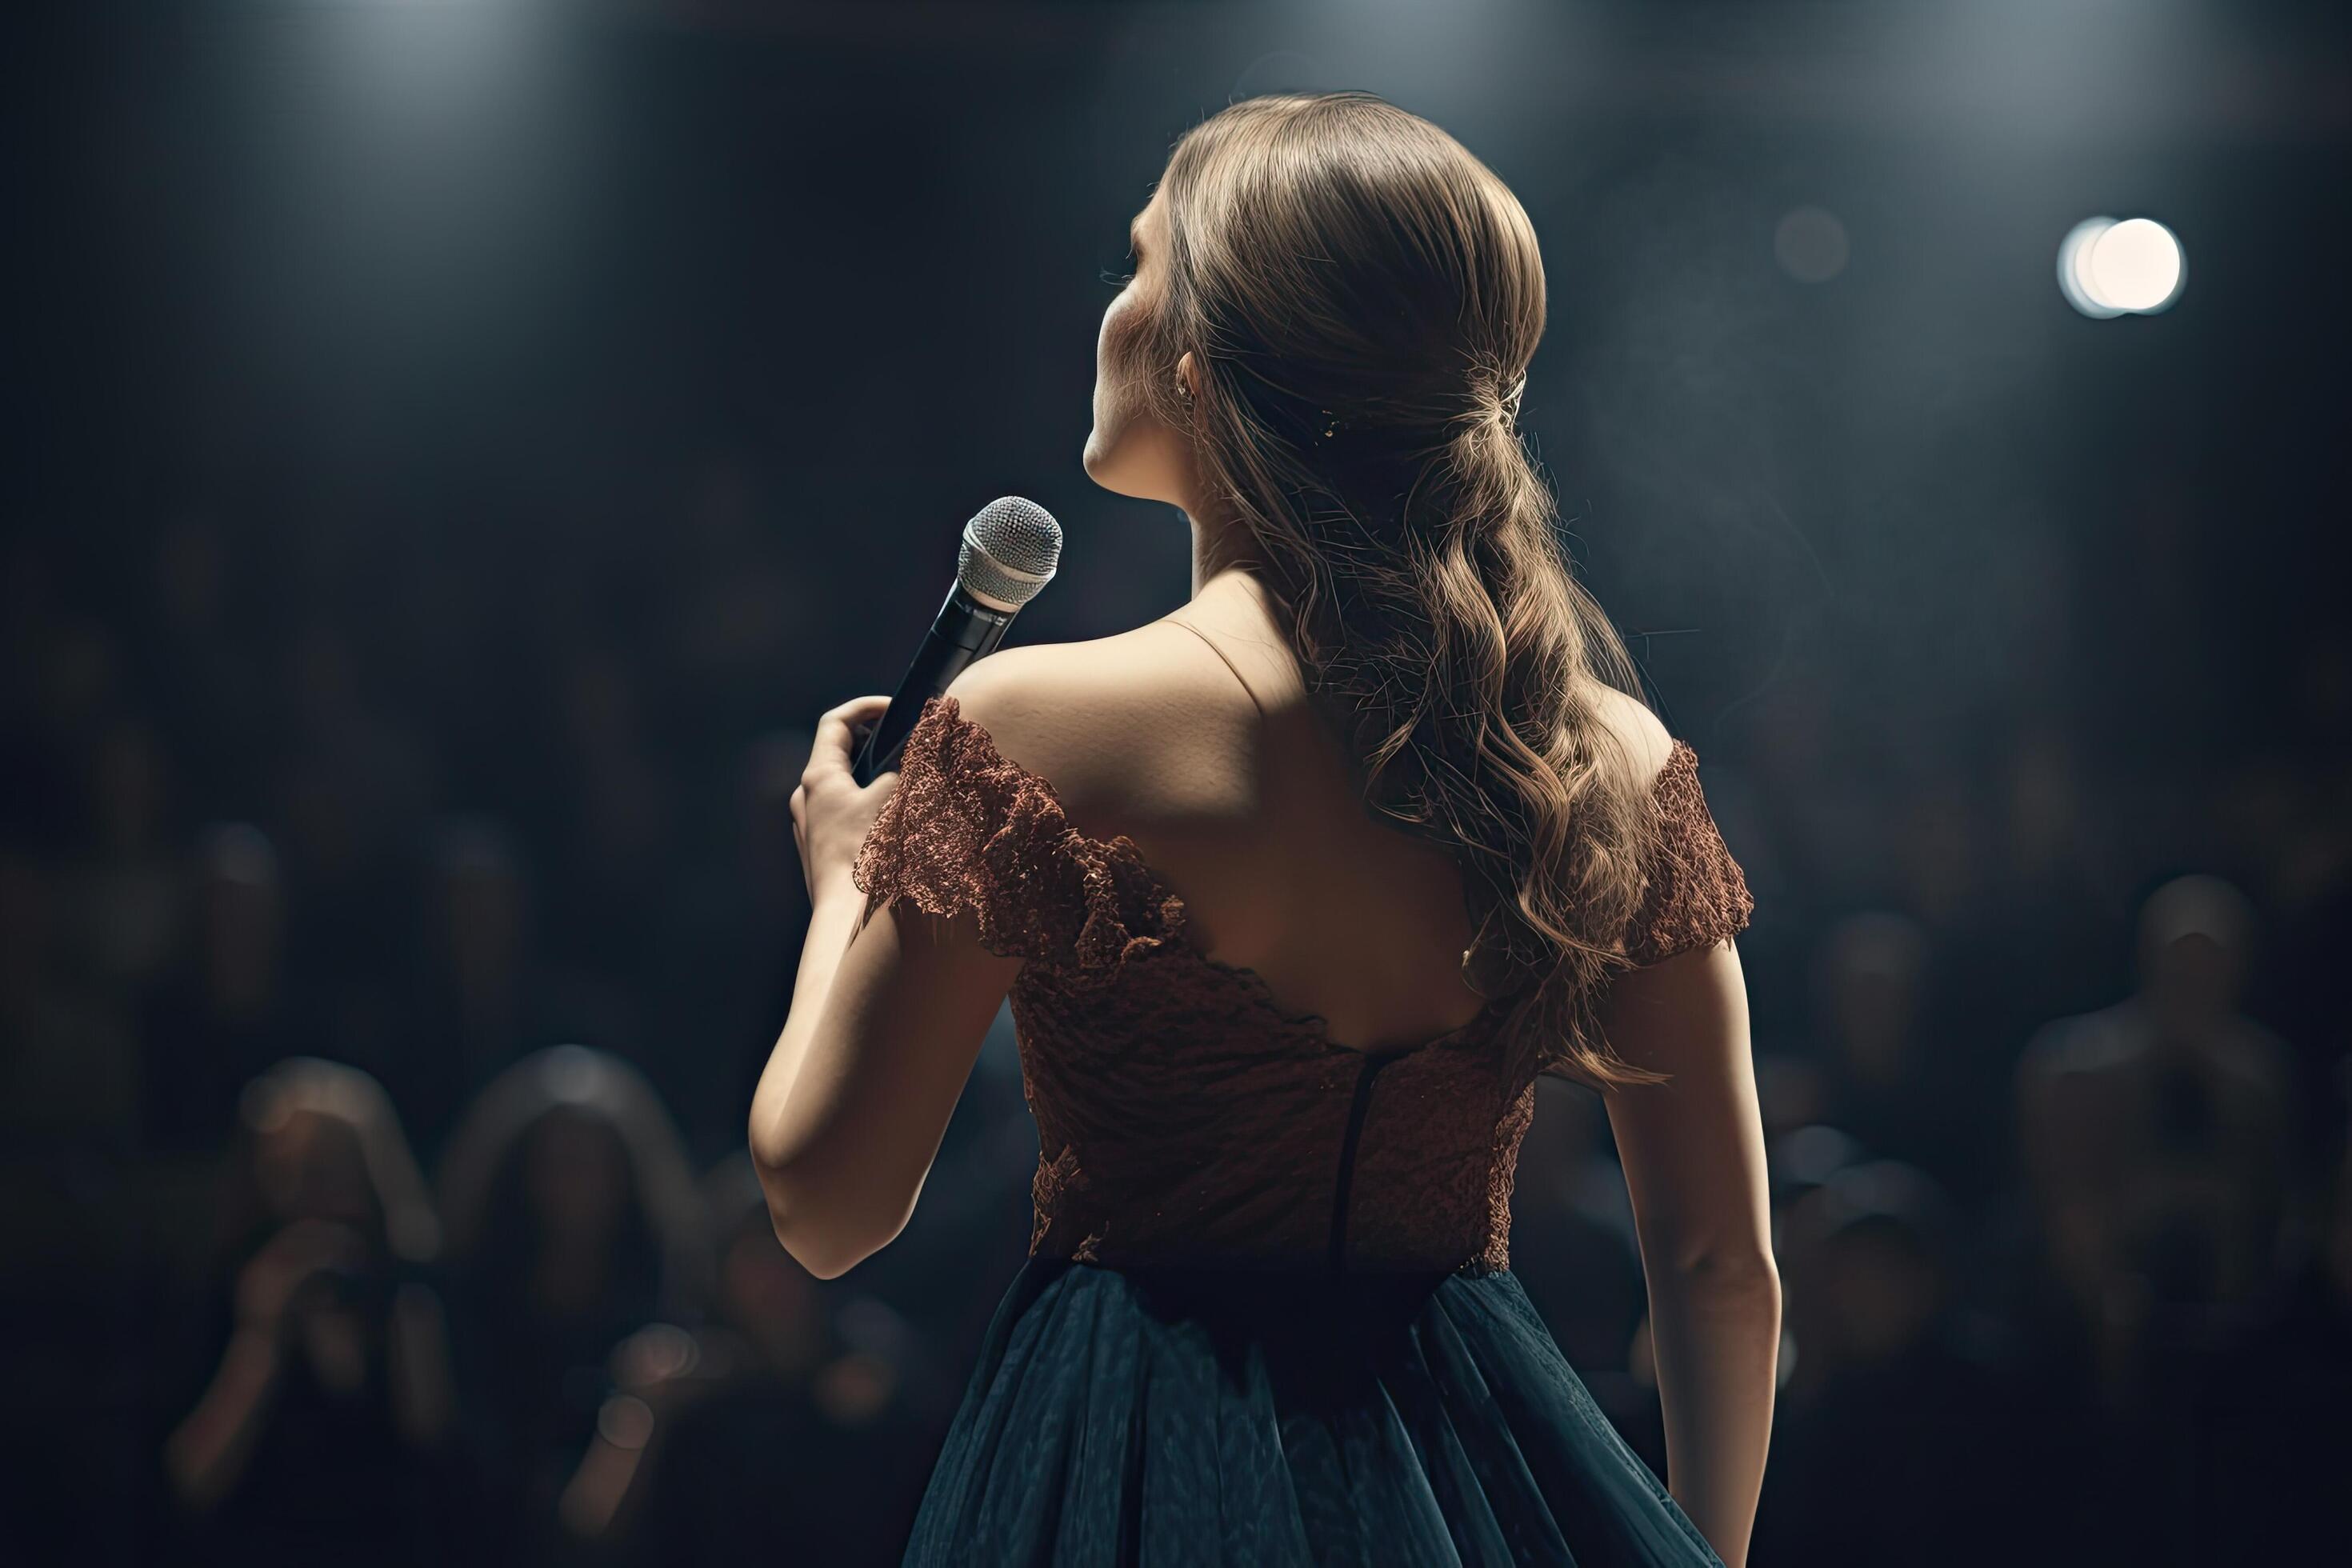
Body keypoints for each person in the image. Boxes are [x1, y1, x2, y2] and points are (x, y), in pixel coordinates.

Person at [751, 92, 1778, 1566]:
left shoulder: (1041, 725)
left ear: (1198, 361)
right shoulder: (1603, 757)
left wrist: (847, 879)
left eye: (1138, 264)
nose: (1103, 306)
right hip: (1480, 1474)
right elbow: (1720, 1268)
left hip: (1124, 1462)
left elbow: (823, 1206)